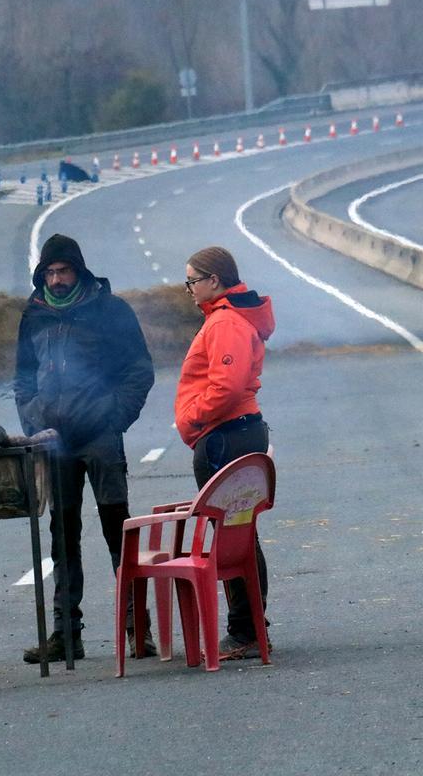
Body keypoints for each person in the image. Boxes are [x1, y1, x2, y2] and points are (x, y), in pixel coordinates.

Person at [15, 233, 155, 662]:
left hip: (100, 440)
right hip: (55, 446)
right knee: (63, 537)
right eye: (49, 272)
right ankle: (65, 635)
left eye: (63, 271)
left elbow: (139, 370)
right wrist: (35, 423)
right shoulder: (34, 314)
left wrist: (115, 419)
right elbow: (22, 379)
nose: (56, 280)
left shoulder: (110, 311)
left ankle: (137, 630)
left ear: (79, 270)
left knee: (119, 532)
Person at [174, 246, 275, 660]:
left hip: (226, 437)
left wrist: (193, 419)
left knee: (236, 535)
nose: (189, 290)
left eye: (192, 281)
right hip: (233, 433)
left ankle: (246, 629)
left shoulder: (226, 322)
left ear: (214, 280)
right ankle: (250, 624)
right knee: (239, 532)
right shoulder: (226, 318)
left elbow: (227, 386)